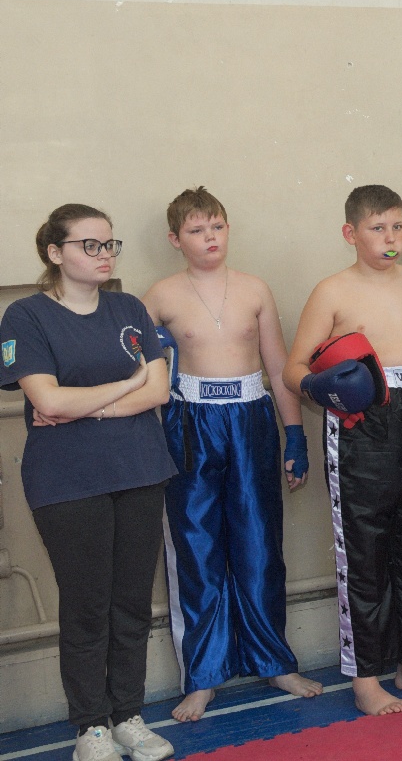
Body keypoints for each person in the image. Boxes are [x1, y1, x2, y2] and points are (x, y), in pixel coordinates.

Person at [0, 205, 176, 761]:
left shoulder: (128, 308)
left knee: (131, 602)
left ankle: (128, 716)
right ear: (55, 253)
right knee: (86, 605)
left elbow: (159, 390)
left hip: (140, 469)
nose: (105, 255)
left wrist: (92, 407)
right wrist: (126, 384)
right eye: (90, 245)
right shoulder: (25, 316)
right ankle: (91, 728)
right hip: (67, 482)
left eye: (110, 244)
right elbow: (47, 400)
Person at [142, 187, 322, 723]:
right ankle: (202, 676)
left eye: (217, 226)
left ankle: (274, 661)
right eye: (197, 230)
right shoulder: (159, 296)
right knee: (196, 548)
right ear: (175, 239)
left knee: (260, 543)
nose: (210, 238)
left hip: (250, 418)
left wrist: (296, 435)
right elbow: (138, 372)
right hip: (189, 422)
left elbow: (278, 366)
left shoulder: (254, 289)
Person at [283, 184, 402, 715]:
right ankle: (365, 679)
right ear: (351, 233)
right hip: (362, 423)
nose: (390, 238)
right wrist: (321, 387)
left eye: (396, 227)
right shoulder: (331, 291)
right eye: (377, 228)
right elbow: (293, 368)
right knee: (365, 552)